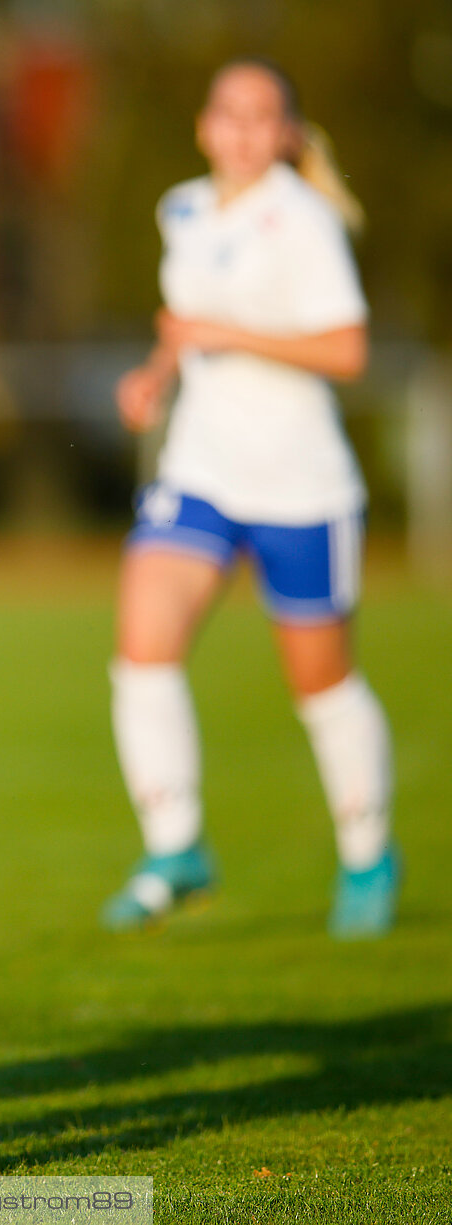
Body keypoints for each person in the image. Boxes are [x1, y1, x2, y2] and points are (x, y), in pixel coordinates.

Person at [102, 57, 398, 939]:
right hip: (201, 472)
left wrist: (228, 334)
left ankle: (368, 852)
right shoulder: (182, 207)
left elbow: (347, 351)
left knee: (322, 686)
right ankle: (176, 845)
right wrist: (155, 375)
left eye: (261, 116)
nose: (241, 130)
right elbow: (183, 320)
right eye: (228, 113)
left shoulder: (304, 221)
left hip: (300, 485)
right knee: (141, 644)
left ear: (288, 134)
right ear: (204, 125)